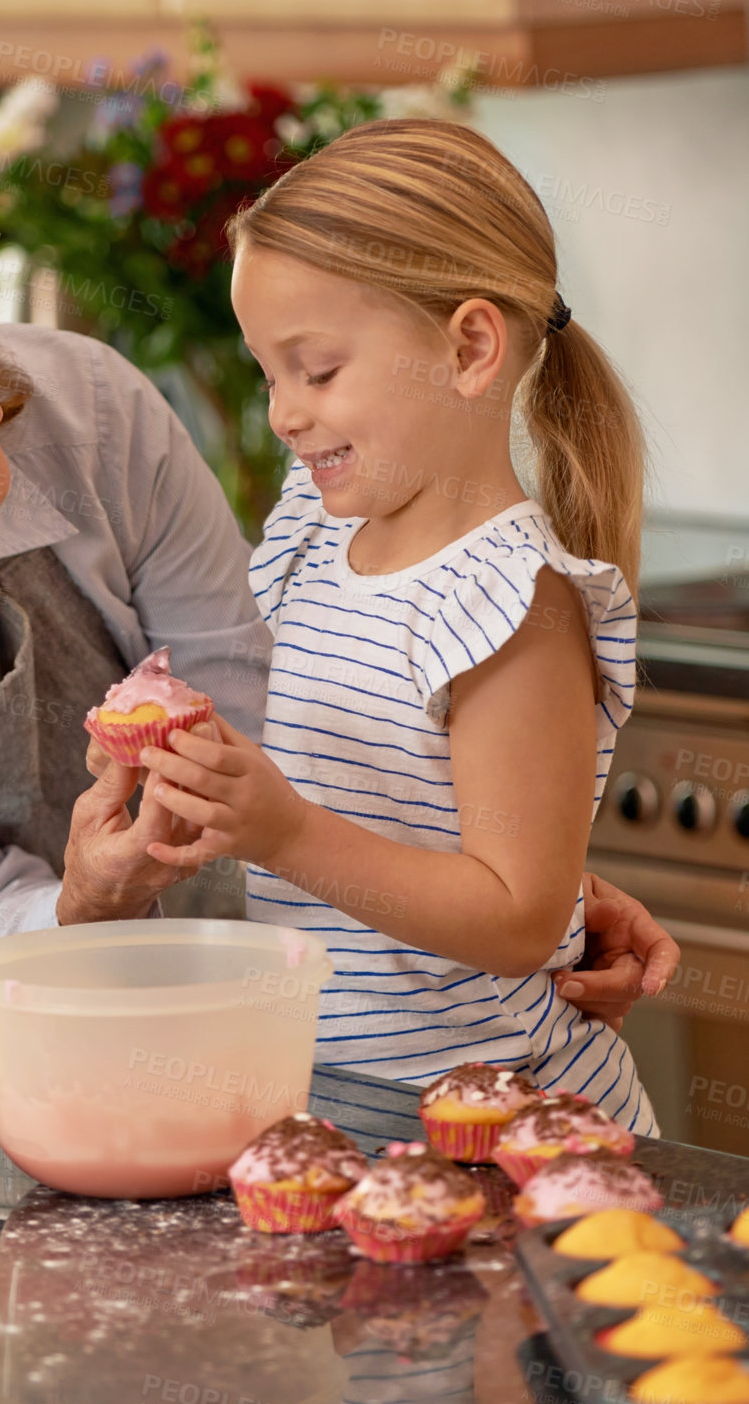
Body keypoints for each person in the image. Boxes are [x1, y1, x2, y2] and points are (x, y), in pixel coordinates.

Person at [0, 111, 672, 1027]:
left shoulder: (86, 412)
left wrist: (504, 888)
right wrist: (88, 897)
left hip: (135, 1008)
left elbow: (267, 740)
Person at [139, 118, 655, 1129]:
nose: (284, 413)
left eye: (317, 370)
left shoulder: (511, 607)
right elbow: (382, 801)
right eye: (267, 374)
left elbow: (516, 916)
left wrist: (282, 832)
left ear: (466, 348)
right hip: (340, 1112)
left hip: (502, 1139)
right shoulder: (306, 530)